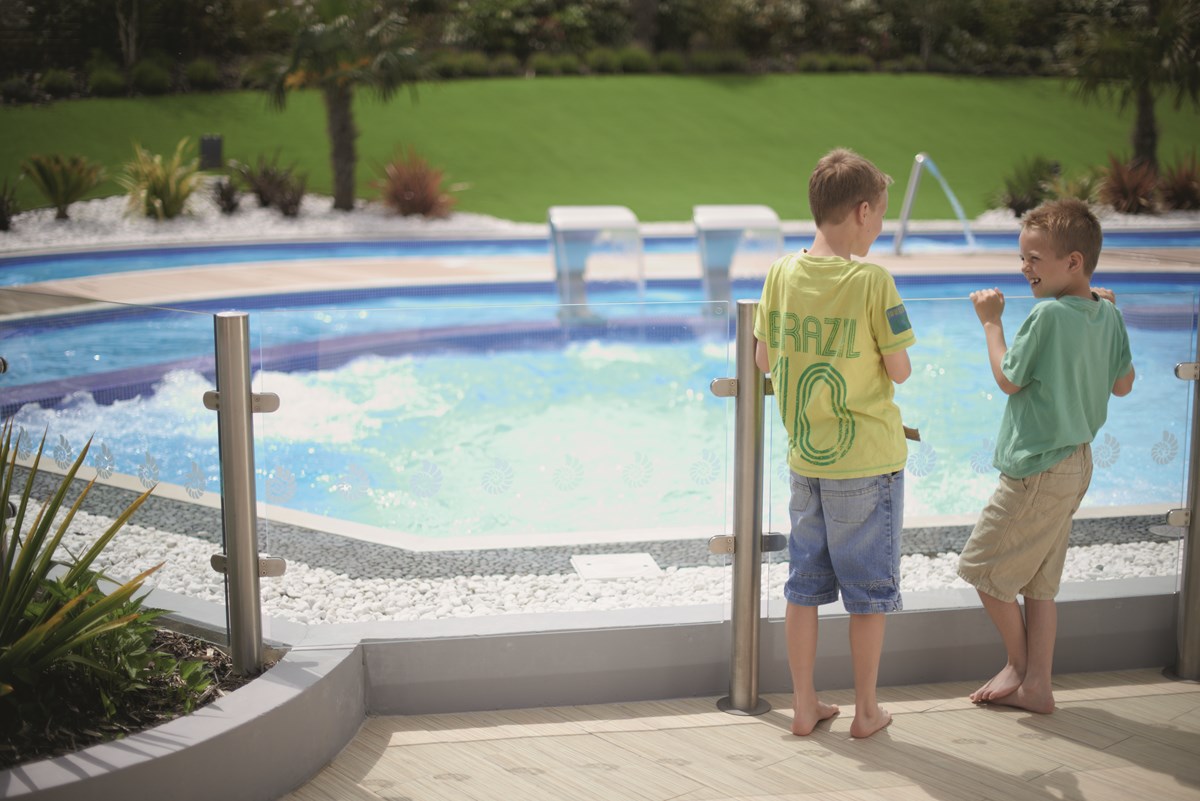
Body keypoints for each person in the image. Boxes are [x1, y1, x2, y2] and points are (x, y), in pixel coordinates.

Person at [754, 148, 916, 739]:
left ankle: (804, 705)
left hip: (806, 460)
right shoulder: (873, 280)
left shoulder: (780, 272)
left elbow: (763, 358)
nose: (880, 229)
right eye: (880, 218)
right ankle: (867, 711)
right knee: (868, 594)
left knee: (803, 586)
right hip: (868, 462)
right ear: (863, 211)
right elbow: (899, 370)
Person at [958, 198, 1136, 714]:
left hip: (1036, 468)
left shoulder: (1047, 316)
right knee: (1039, 586)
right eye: (1023, 257)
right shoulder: (1107, 314)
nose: (1024, 268)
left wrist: (991, 322)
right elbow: (1123, 385)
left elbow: (1008, 379)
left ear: (1073, 262)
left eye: (1035, 258)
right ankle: (1039, 686)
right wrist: (1103, 322)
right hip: (1077, 465)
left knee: (983, 572)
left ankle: (1018, 666)